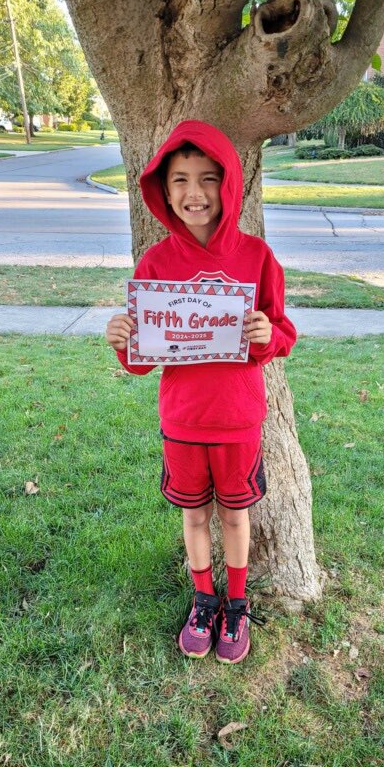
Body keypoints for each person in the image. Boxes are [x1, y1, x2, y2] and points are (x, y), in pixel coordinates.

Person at [106, 120, 296, 664]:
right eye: (181, 180)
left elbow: (284, 331)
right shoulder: (157, 264)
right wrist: (124, 342)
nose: (195, 193)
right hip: (183, 422)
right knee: (194, 516)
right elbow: (142, 360)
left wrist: (265, 336)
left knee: (236, 515)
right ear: (163, 191)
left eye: (209, 178)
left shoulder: (257, 257)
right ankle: (203, 598)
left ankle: (236, 604)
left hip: (238, 420)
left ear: (230, 184)